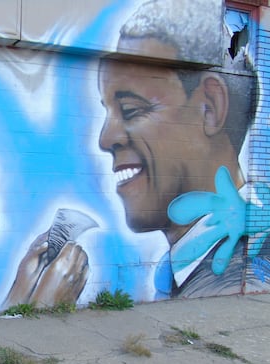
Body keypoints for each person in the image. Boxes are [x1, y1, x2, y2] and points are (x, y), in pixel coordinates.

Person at [97, 0, 263, 297]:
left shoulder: (244, 276)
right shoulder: (184, 271)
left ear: (209, 108)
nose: (106, 139)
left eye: (131, 109)